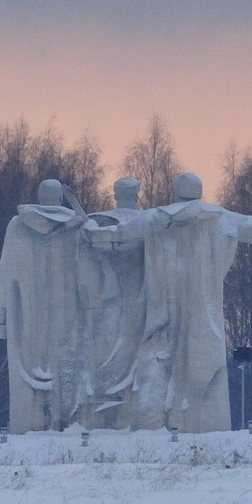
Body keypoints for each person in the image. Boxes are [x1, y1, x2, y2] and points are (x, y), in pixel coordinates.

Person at [83, 172, 252, 433]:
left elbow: (120, 233)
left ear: (176, 191)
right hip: (200, 308)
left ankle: (155, 420)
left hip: (162, 308)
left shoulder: (156, 217)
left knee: (158, 358)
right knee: (197, 358)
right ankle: (190, 417)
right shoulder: (219, 218)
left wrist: (94, 233)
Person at [0, 179, 87, 432]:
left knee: (26, 365)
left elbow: (5, 271)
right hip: (65, 310)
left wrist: (2, 312)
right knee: (65, 362)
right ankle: (63, 420)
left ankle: (27, 422)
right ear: (59, 199)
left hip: (25, 315)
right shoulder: (74, 228)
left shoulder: (18, 226)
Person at [81, 177, 149, 428]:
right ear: (136, 194)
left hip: (119, 292)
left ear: (115, 194)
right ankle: (105, 393)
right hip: (120, 292)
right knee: (120, 340)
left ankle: (110, 392)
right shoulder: (144, 220)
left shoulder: (99, 220)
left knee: (115, 341)